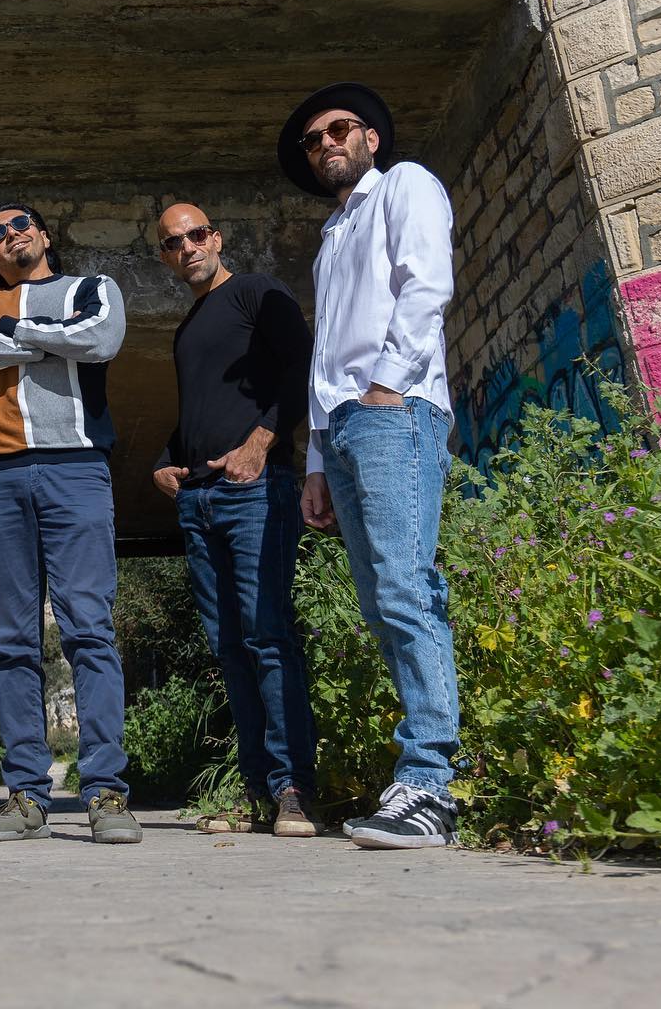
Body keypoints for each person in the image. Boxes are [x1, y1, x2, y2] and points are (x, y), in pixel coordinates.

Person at [279, 82, 461, 849]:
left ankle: (431, 784)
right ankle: (422, 775)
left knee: (404, 587)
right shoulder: (330, 237)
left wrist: (389, 384)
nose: (326, 143)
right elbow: (324, 360)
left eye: (340, 129)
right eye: (314, 139)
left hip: (395, 410)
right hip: (347, 428)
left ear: (372, 139)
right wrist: (317, 458)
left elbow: (427, 286)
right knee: (383, 602)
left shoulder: (408, 185)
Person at [0, 203, 140, 845]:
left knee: (89, 627)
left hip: (77, 469)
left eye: (22, 223)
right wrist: (50, 336)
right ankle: (26, 795)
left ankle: (105, 790)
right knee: (12, 638)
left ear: (45, 234)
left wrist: (19, 334)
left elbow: (102, 339)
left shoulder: (91, 290)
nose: (13, 234)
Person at [152, 202, 320, 837]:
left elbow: (302, 369)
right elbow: (202, 409)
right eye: (173, 243)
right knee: (229, 647)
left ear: (216, 238)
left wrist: (262, 442)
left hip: (253, 490)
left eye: (197, 235)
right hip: (198, 499)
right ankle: (255, 792)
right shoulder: (187, 326)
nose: (188, 247)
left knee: (267, 637)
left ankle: (294, 792)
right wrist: (167, 461)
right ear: (166, 257)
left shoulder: (254, 292)